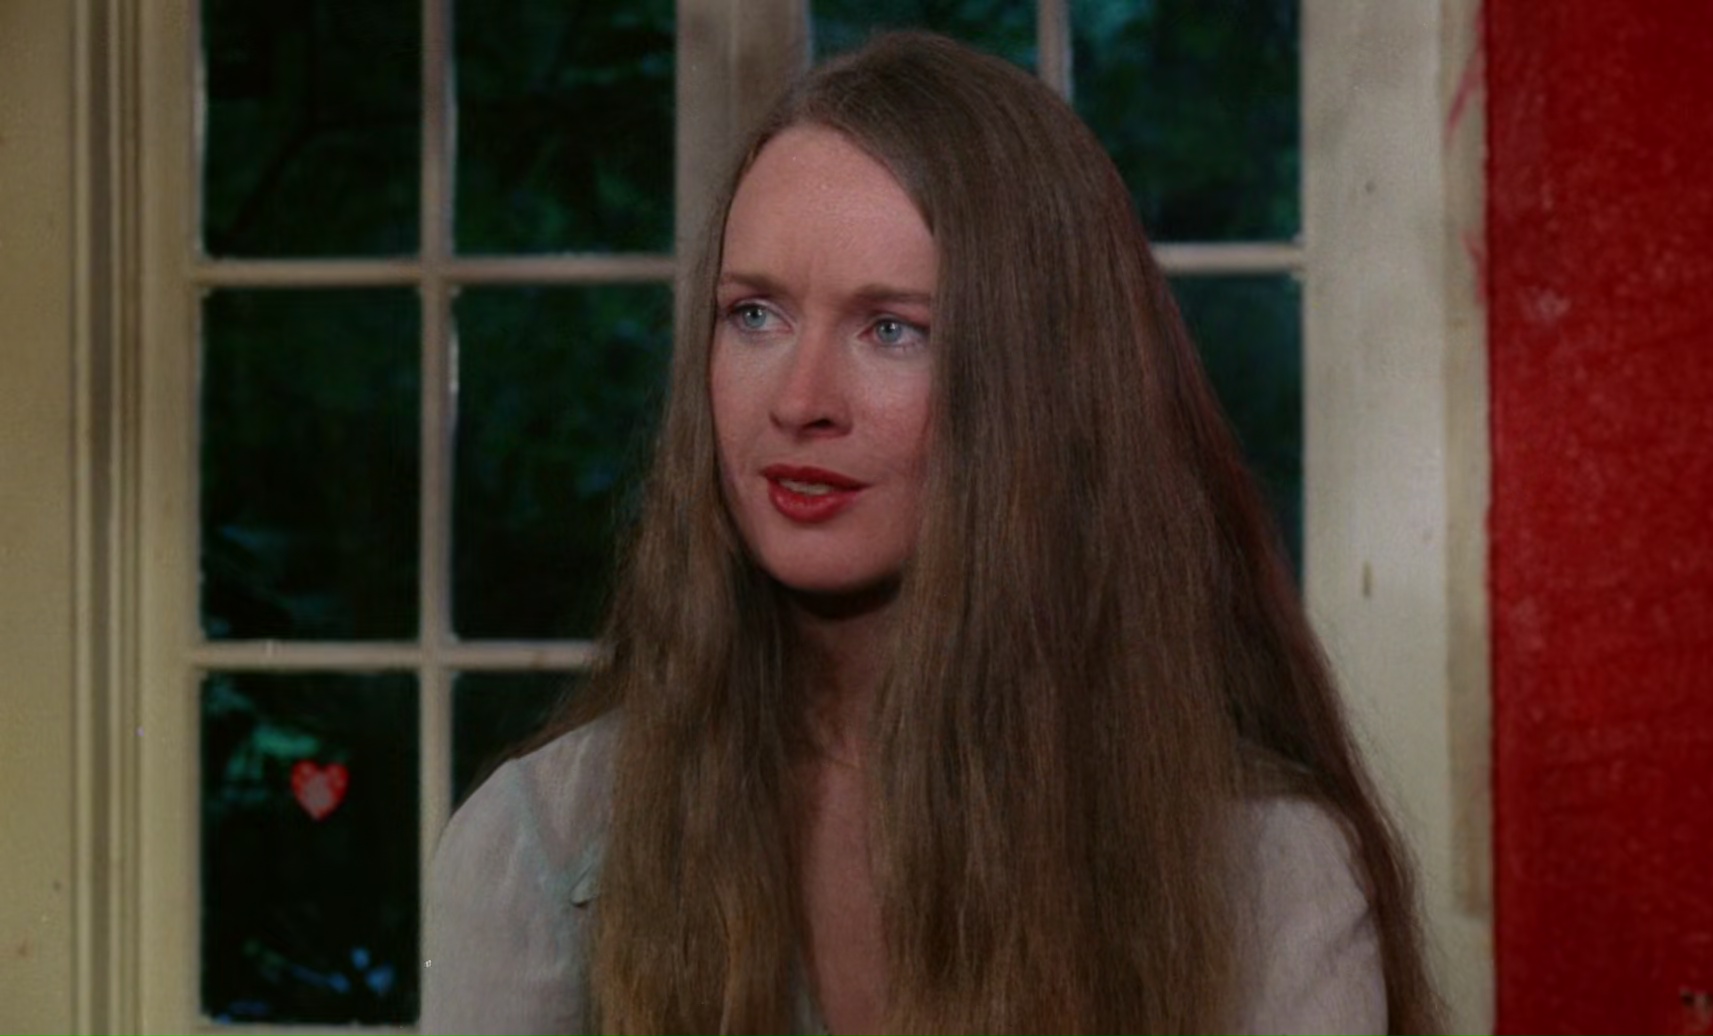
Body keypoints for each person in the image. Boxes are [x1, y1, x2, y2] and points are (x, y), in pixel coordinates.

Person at [424, 31, 1438, 1036]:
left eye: (893, 330)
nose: (801, 400)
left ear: (1043, 388)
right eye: (756, 315)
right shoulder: (540, 846)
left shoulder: (1265, 877)